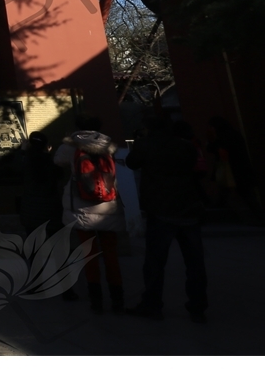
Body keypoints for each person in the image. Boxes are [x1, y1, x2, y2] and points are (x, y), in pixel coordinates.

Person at [127, 114, 209, 322]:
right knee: (195, 262)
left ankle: (152, 303)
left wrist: (140, 142)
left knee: (155, 261)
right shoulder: (185, 146)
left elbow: (131, 162)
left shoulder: (146, 145)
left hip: (161, 208)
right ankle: (198, 306)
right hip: (189, 206)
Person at [55, 115, 126, 312]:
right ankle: (117, 298)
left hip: (81, 208)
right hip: (108, 207)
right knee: (111, 254)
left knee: (89, 255)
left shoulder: (70, 146)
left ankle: (96, 299)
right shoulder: (108, 144)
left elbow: (58, 161)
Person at [17, 130, 64, 238]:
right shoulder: (49, 162)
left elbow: (15, 169)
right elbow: (59, 175)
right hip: (51, 208)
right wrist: (48, 155)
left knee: (33, 244)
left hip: (30, 209)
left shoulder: (26, 162)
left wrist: (23, 151)